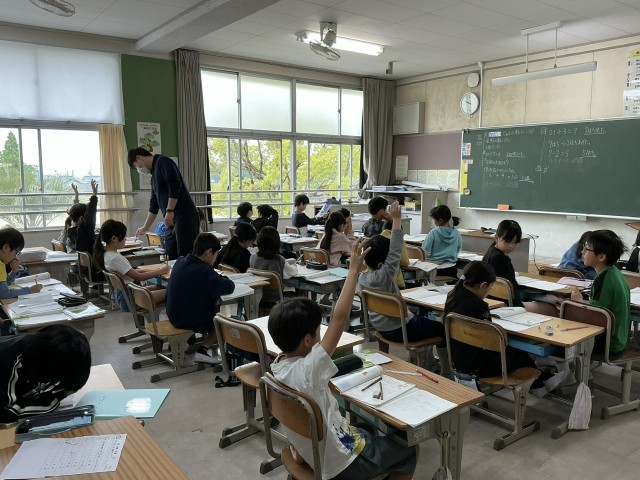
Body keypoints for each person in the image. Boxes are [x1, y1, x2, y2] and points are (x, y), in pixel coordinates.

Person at [268, 238, 417, 480]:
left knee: (365, 427)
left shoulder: (277, 368)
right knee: (408, 450)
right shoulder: (310, 368)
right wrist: (353, 270)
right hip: (338, 463)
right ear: (308, 340)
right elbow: (339, 317)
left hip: (314, 451)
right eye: (318, 331)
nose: (321, 335)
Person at [357, 202, 450, 376]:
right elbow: (395, 249)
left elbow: (392, 252)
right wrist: (397, 219)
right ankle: (445, 371)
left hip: (380, 328)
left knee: (420, 317)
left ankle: (425, 360)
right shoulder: (384, 275)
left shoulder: (362, 278)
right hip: (401, 330)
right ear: (382, 263)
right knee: (444, 328)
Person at [443, 261, 548, 390]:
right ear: (483, 285)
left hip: (459, 360)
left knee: (515, 355)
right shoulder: (479, 307)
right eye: (490, 288)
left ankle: (541, 382)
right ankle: (539, 386)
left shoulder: (452, 297)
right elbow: (491, 343)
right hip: (479, 366)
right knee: (521, 356)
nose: (489, 291)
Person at [167, 233, 235, 364]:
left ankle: (190, 341)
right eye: (216, 254)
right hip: (187, 319)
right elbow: (229, 286)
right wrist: (221, 277)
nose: (215, 258)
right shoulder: (205, 271)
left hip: (173, 315)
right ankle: (203, 349)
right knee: (223, 320)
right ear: (209, 252)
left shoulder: (180, 261)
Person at [0, 324, 91, 422]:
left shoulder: (35, 347)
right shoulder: (9, 362)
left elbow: (26, 391)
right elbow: (5, 413)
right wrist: (59, 396)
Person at [128, 147, 200, 260]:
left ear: (139, 158)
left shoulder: (162, 161)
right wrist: (145, 227)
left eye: (136, 166)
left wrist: (170, 210)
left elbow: (174, 185)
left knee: (185, 255)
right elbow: (153, 205)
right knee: (171, 253)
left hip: (184, 215)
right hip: (171, 221)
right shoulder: (153, 177)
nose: (138, 170)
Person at [571, 230, 631, 354]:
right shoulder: (615, 272)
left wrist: (579, 301)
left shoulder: (603, 280)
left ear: (601, 257)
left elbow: (596, 316)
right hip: (619, 338)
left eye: (586, 249)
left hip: (608, 342)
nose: (582, 252)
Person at [482, 219, 558, 316]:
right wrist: (521, 308)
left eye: (515, 242)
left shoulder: (491, 251)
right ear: (497, 237)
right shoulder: (500, 258)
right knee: (551, 309)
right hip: (507, 306)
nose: (511, 246)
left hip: (494, 301)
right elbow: (510, 292)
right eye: (507, 241)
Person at [93, 220, 170, 312]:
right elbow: (139, 277)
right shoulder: (115, 258)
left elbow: (131, 272)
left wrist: (155, 270)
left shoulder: (107, 254)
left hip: (125, 296)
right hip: (131, 299)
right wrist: (160, 271)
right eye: (124, 237)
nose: (125, 239)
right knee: (173, 291)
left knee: (164, 287)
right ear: (114, 238)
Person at [249, 226, 297, 305]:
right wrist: (294, 265)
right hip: (276, 299)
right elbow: (292, 273)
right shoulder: (279, 259)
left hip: (258, 298)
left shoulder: (252, 258)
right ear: (277, 243)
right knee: (296, 293)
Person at [0, 227, 42, 299]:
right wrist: (30, 290)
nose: (15, 257)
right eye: (16, 252)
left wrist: (14, 272)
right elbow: (3, 293)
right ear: (5, 247)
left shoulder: (2, 262)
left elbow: (4, 284)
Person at [421, 205, 462, 278]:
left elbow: (424, 251)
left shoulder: (433, 233)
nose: (433, 221)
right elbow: (458, 250)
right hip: (451, 269)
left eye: (434, 219)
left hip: (435, 269)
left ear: (440, 220)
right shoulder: (457, 233)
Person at [66, 180, 99, 255]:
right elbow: (91, 213)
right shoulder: (84, 230)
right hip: (90, 261)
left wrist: (76, 193)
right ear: (81, 218)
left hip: (78, 261)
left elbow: (75, 209)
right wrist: (94, 196)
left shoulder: (71, 230)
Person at [380, 219, 410, 288]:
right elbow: (404, 262)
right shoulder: (399, 241)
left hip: (379, 282)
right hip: (395, 283)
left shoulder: (376, 239)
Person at [59, 182, 81, 252]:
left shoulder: (70, 221)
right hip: (71, 252)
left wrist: (76, 193)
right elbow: (76, 205)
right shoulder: (72, 223)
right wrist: (76, 193)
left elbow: (76, 204)